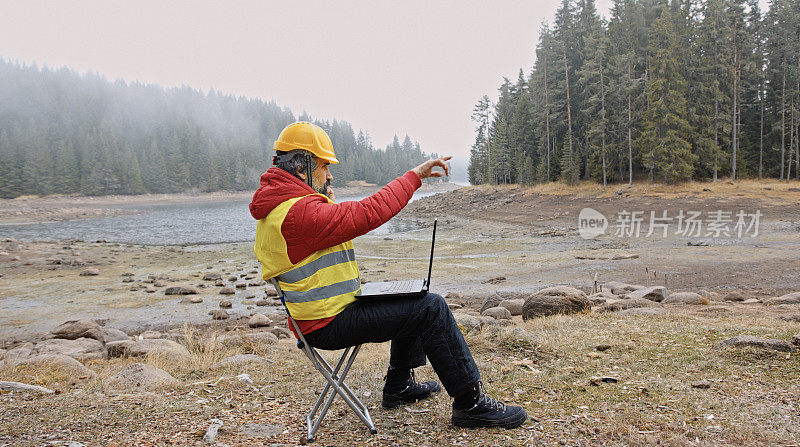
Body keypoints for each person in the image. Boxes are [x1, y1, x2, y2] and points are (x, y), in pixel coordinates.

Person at [250, 121, 526, 429]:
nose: (330, 174)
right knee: (431, 308)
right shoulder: (297, 214)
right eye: (325, 166)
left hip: (324, 314)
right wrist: (414, 178)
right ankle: (471, 404)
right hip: (327, 323)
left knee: (410, 295)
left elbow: (324, 227)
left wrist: (322, 194)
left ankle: (399, 386)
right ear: (301, 166)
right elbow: (369, 212)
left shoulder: (285, 207)